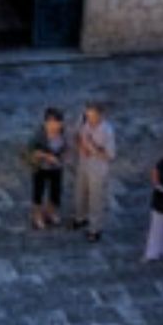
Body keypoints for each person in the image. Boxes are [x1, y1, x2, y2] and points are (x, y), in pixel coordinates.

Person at [73, 102, 116, 242]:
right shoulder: (83, 120)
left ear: (100, 115)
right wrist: (81, 146)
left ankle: (95, 229)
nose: (89, 119)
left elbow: (110, 155)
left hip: (98, 168)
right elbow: (77, 135)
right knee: (80, 192)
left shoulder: (107, 131)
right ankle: (81, 218)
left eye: (92, 116)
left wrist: (93, 148)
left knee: (95, 199)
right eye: (88, 115)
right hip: (83, 163)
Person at [28, 106, 69, 230]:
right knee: (38, 192)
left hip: (56, 167)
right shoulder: (39, 135)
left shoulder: (62, 133)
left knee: (55, 191)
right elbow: (31, 151)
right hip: (41, 168)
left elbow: (66, 147)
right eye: (54, 123)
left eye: (58, 123)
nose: (56, 126)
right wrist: (46, 156)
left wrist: (63, 156)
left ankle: (50, 212)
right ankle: (37, 216)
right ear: (47, 122)